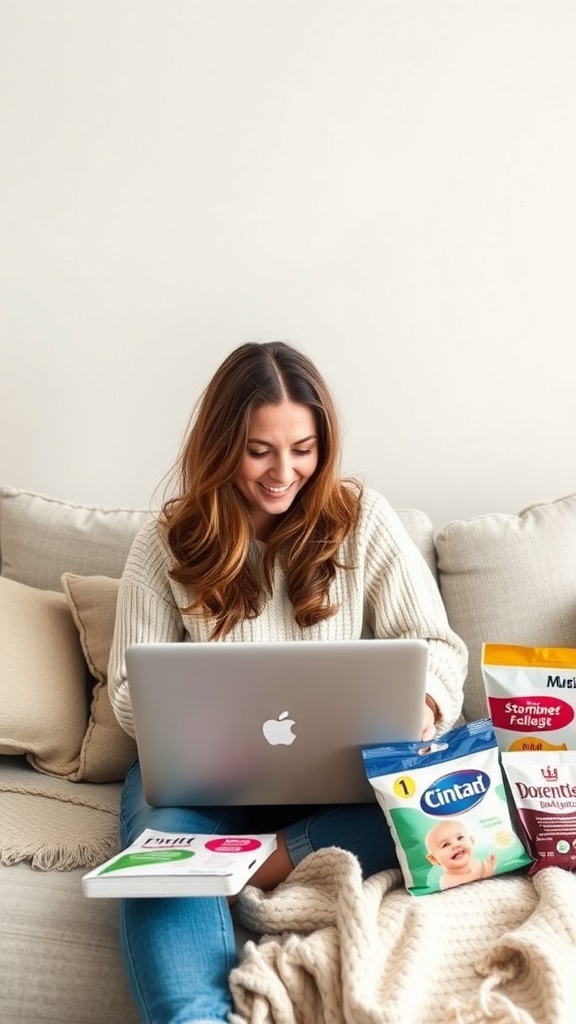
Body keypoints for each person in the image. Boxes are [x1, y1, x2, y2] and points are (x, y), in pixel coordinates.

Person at [108, 340, 468, 1024]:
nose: (284, 472)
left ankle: (260, 860)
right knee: (158, 863)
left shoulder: (362, 521)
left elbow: (440, 648)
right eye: (259, 450)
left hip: (340, 774)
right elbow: (127, 688)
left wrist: (424, 703)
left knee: (446, 809)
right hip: (199, 776)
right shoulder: (166, 540)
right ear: (220, 445)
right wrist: (174, 711)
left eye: (302, 448)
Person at [425, 818, 497, 890]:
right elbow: (471, 889)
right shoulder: (447, 880)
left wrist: (490, 864)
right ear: (434, 859)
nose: (456, 844)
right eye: (445, 845)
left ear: (472, 841)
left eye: (460, 838)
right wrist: (487, 871)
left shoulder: (478, 862)